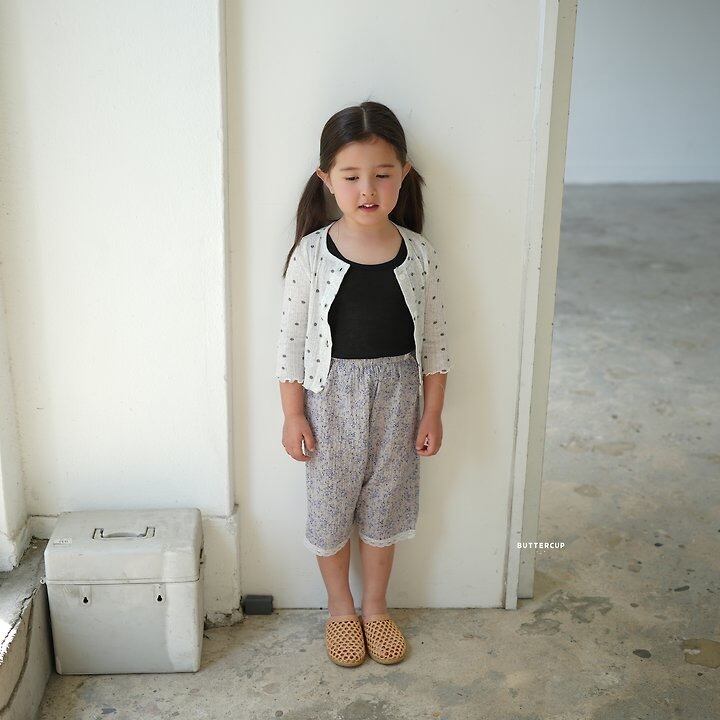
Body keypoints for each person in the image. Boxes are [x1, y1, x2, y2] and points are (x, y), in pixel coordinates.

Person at [275, 100, 452, 667]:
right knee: (330, 512)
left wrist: (432, 411)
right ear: (327, 179)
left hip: (400, 403)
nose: (367, 189)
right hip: (329, 405)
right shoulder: (312, 255)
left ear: (404, 174)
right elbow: (290, 344)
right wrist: (293, 414)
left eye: (382, 174)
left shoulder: (419, 255)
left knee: (384, 511)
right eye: (351, 176)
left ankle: (376, 607)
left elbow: (436, 343)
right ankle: (340, 609)